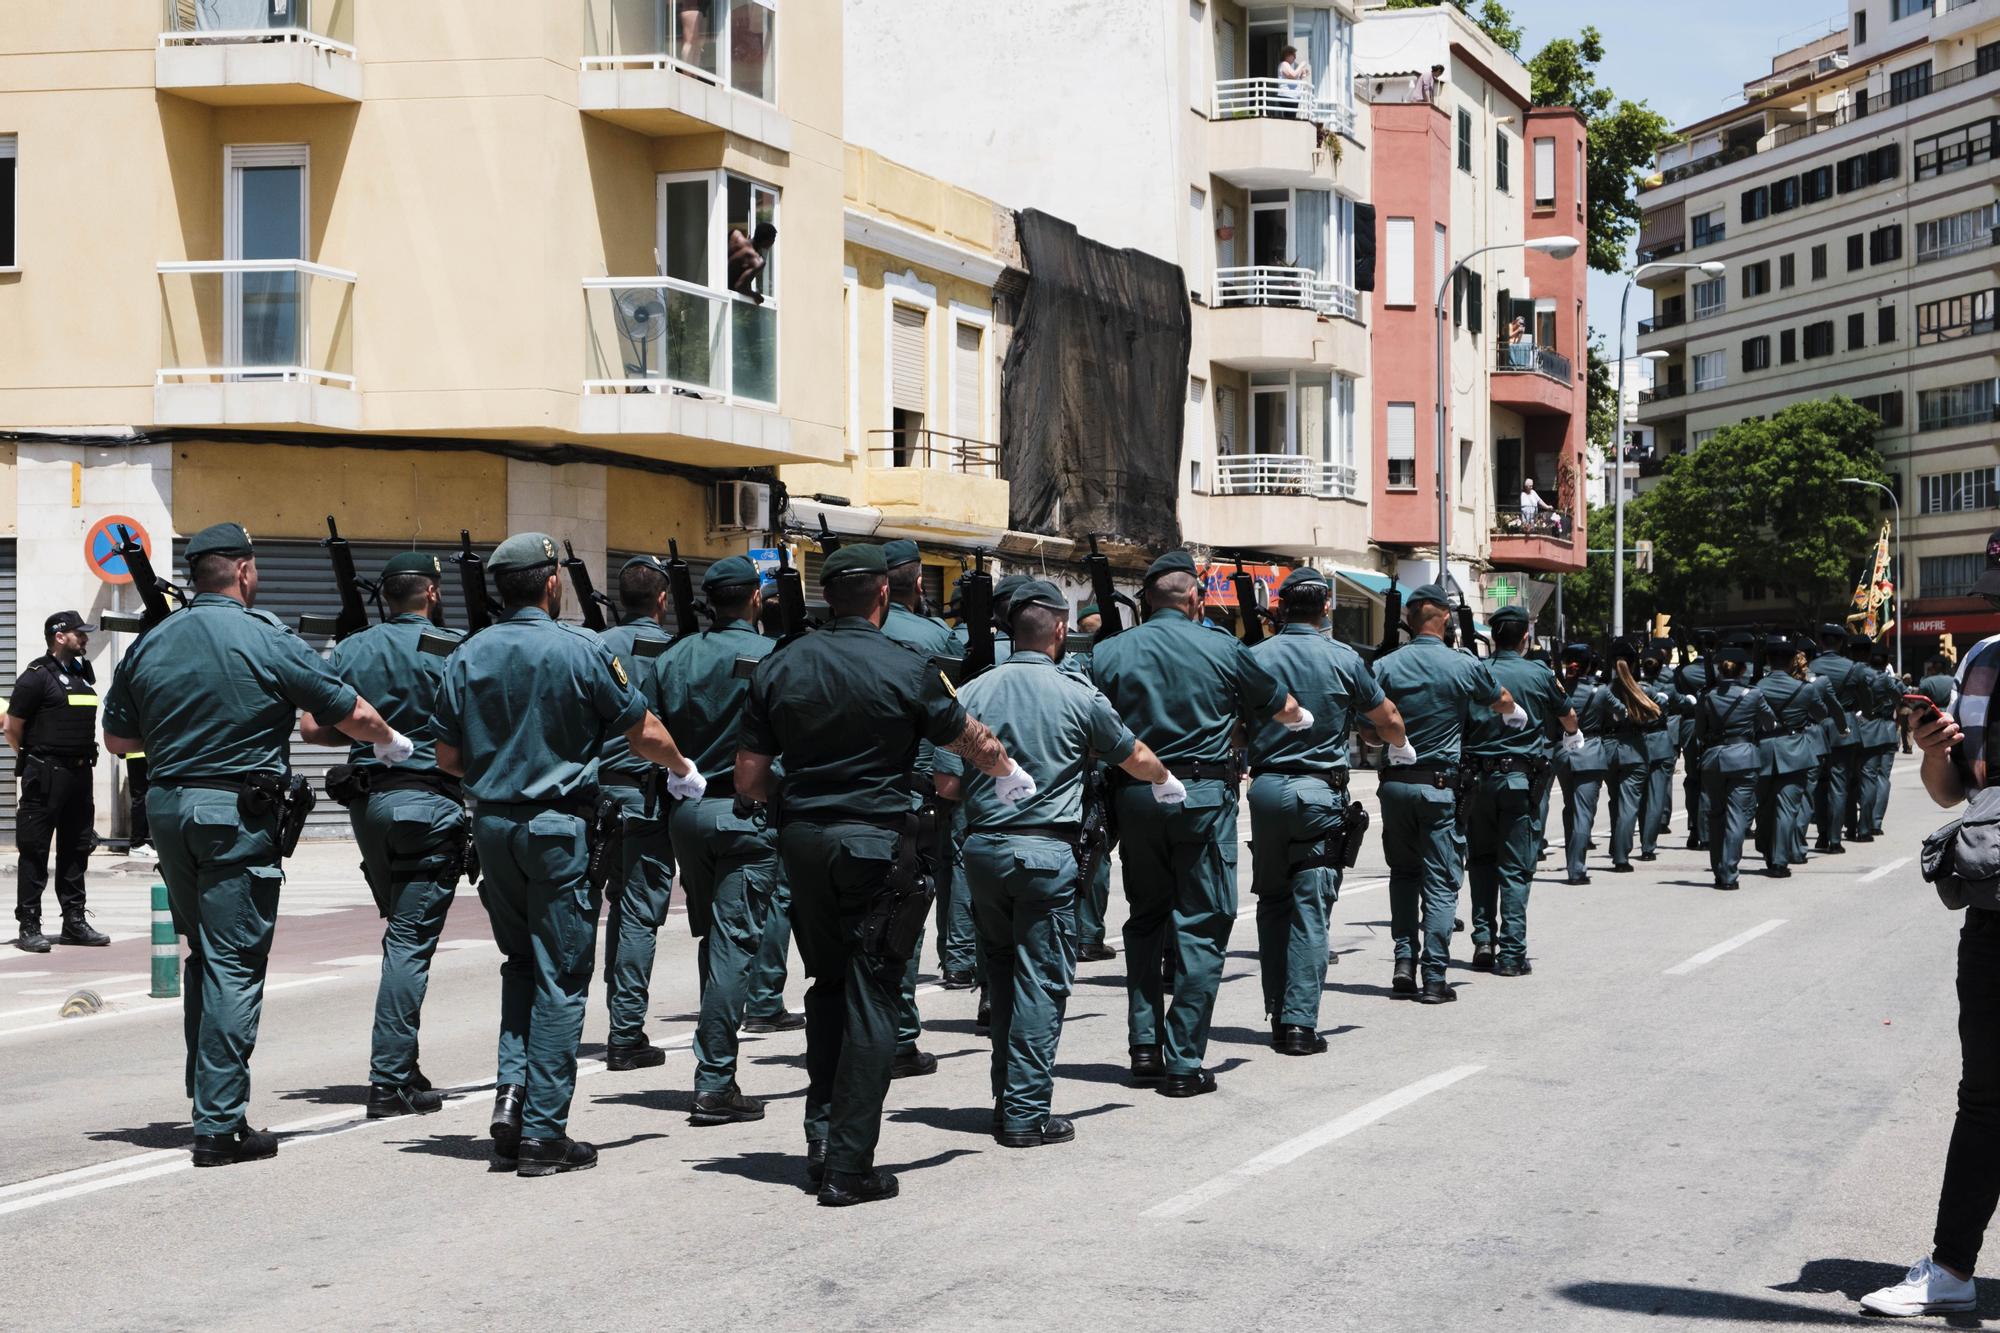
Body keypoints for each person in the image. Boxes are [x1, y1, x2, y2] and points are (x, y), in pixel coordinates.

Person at [101, 522, 407, 1167]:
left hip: (167, 811)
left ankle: (204, 1094)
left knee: (203, 957)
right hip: (233, 815)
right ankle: (220, 1125)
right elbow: (347, 712)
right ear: (242, 571)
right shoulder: (266, 636)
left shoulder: (152, 642)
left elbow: (117, 743)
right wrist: (389, 743)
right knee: (234, 962)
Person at [736, 542, 1021, 1207]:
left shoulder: (779, 667)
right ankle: (847, 1162)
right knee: (874, 994)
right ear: (885, 596)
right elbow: (971, 742)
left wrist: (799, 797)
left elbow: (748, 777)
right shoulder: (908, 667)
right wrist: (1007, 770)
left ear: (824, 596)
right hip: (877, 847)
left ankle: (821, 1134)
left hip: (803, 843)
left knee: (828, 986)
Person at [433, 532, 703, 1178]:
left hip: (492, 828)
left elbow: (445, 757)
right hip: (557, 830)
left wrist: (500, 771)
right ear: (552, 584)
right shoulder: (581, 651)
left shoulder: (465, 657)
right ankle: (545, 1134)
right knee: (560, 974)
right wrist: (682, 767)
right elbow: (644, 731)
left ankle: (511, 1100)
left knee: (520, 963)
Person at [951, 580, 1174, 1145]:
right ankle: (1026, 1114)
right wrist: (1167, 781)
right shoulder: (1077, 693)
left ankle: (1007, 1097)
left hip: (983, 850)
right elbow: (1134, 757)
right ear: (1057, 630)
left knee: (1000, 975)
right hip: (1046, 853)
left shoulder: (970, 693)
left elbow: (944, 784)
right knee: (1040, 981)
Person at [1089, 550, 1304, 1091]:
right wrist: (1300, 717)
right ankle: (1183, 1060)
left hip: (1136, 795)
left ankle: (1144, 1045)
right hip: (1203, 797)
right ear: (1194, 598)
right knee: (1202, 925)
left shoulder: (1110, 650)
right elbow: (1282, 707)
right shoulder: (1222, 647)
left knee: (1144, 919)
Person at [1856, 618, 1996, 1317]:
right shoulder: (1985, 662)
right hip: (1997, 911)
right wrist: (1935, 749)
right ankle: (1951, 1270)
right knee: (1986, 1099)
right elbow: (1959, 791)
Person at [300, 553, 465, 1118]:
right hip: (429, 804)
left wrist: (374, 735)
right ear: (433, 593)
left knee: (402, 931)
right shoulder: (452, 647)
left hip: (368, 805)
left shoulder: (350, 649)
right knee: (410, 943)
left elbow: (312, 727)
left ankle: (406, 1065)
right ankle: (389, 1081)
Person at [1249, 569, 1406, 1045]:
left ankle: (1277, 1009)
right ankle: (1299, 1023)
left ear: (1281, 607)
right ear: (1326, 609)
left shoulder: (1254, 656)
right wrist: (1396, 746)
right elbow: (1388, 718)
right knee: (1311, 906)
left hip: (1264, 789)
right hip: (1317, 793)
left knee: (1272, 903)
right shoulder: (1342, 658)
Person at [661, 555, 784, 1125]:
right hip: (746, 816)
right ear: (756, 598)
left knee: (716, 940)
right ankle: (714, 1082)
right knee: (735, 945)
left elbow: (650, 733)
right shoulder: (774, 658)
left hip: (689, 814)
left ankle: (715, 1065)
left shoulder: (674, 657)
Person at [1374, 585, 1519, 1002]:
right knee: (1440, 882)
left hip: (1396, 784)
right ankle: (1434, 977)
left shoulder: (1386, 665)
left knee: (1403, 874)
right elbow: (1502, 700)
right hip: (1439, 787)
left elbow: (1368, 726)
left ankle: (1404, 961)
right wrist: (1511, 713)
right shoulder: (1462, 664)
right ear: (1443, 618)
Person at [590, 557, 679, 1073]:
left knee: (614, 905)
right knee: (638, 912)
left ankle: (615, 1019)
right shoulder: (675, 650)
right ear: (662, 600)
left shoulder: (597, 647)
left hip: (599, 798)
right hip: (647, 799)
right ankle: (625, 1032)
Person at [878, 540, 958, 1080]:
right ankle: (900, 1037)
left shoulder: (833, 639)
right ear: (918, 583)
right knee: (906, 911)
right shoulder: (936, 639)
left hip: (848, 795)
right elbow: (953, 719)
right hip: (915, 796)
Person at [1464, 606, 1580, 977]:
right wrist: (1572, 734)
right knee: (1514, 868)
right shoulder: (1539, 673)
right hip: (1519, 781)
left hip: (1477, 781)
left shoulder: (1475, 671)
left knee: (1480, 862)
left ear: (1494, 637)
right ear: (1525, 638)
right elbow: (1569, 717)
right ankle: (1512, 954)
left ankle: (1483, 938)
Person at [9, 611, 110, 952]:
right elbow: (12, 726)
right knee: (35, 851)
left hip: (81, 774)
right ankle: (29, 925)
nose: (84, 638)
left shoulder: (83, 674)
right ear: (59, 636)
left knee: (77, 848)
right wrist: (34, 755)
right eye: (78, 633)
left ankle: (74, 922)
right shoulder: (36, 677)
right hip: (45, 774)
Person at [1693, 636, 1776, 891]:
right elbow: (1769, 723)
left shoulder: (1706, 695)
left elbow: (1699, 731)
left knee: (1716, 816)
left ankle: (1719, 870)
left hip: (1714, 759)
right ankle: (1729, 870)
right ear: (1742, 670)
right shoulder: (1753, 694)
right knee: (1737, 817)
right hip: (1743, 757)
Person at [1751, 635, 1825, 880]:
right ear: (1792, 659)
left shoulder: (1756, 688)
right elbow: (1821, 714)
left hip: (1763, 750)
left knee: (1764, 807)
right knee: (1787, 809)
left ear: (1769, 659)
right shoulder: (1805, 688)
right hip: (1795, 751)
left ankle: (1766, 849)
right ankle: (1779, 861)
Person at [1552, 644, 1612, 885]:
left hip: (1563, 752)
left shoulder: (1558, 689)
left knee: (1570, 808)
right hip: (1590, 752)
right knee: (1583, 813)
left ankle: (1571, 861)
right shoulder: (1600, 691)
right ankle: (1576, 868)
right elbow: (1620, 713)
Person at [1603, 642, 1654, 874]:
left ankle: (1617, 846)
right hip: (1634, 749)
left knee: (1616, 802)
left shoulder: (1604, 690)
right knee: (1628, 806)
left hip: (1609, 749)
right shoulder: (1645, 690)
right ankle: (1621, 856)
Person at [1808, 624, 1860, 854]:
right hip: (1843, 727)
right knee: (1839, 785)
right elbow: (1862, 696)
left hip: (1817, 726)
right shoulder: (1852, 667)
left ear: (1821, 642)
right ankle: (1834, 839)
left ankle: (1820, 835)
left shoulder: (1809, 667)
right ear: (1840, 643)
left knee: (1820, 784)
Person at [1635, 640, 1684, 861]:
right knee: (1656, 798)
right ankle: (1648, 846)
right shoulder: (1670, 688)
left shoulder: (1633, 687)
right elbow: (1685, 702)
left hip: (1637, 743)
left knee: (1639, 798)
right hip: (1661, 742)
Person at [1852, 637, 1900, 842]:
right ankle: (1875, 822)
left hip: (1866, 728)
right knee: (1882, 778)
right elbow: (1901, 698)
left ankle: (1863, 821)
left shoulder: (1861, 677)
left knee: (1865, 777)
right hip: (1888, 729)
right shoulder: (1889, 680)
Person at [1676, 636, 1714, 849]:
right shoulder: (1721, 669)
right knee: (1709, 783)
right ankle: (1706, 830)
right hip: (1712, 727)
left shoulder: (1685, 671)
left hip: (1689, 726)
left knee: (1693, 780)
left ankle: (1694, 829)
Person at [727, 222, 776, 303]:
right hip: (727, 294)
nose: (773, 242)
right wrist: (756, 295)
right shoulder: (757, 261)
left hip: (713, 281)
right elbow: (739, 286)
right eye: (773, 239)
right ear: (767, 241)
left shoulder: (736, 235)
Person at [1276, 44, 1311, 117]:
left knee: (1291, 117)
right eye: (1293, 55)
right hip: (1287, 96)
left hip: (1293, 97)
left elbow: (1295, 78)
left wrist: (1302, 74)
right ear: (1287, 55)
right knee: (1290, 117)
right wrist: (1301, 65)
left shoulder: (1288, 66)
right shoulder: (1284, 64)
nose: (1295, 57)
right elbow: (1293, 75)